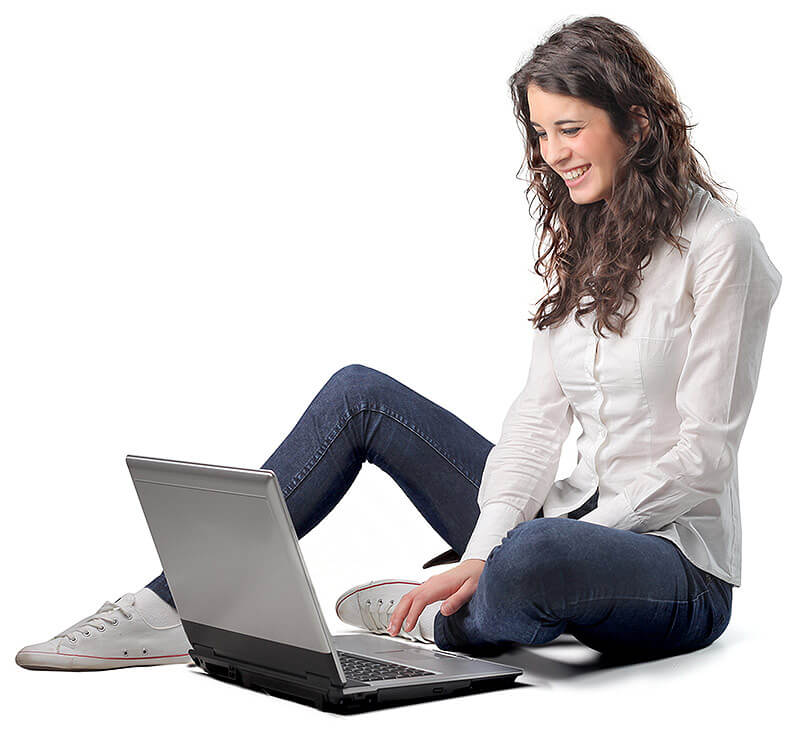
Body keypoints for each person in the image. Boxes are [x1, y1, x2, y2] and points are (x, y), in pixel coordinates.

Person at [16, 15, 782, 671]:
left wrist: (522, 546)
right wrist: (488, 540)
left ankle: (439, 613)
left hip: (672, 562)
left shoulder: (722, 245)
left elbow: (703, 455)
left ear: (638, 123)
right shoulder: (592, 231)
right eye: (542, 133)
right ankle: (168, 604)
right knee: (361, 394)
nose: (553, 153)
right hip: (558, 521)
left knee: (535, 559)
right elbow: (536, 423)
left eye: (570, 129)